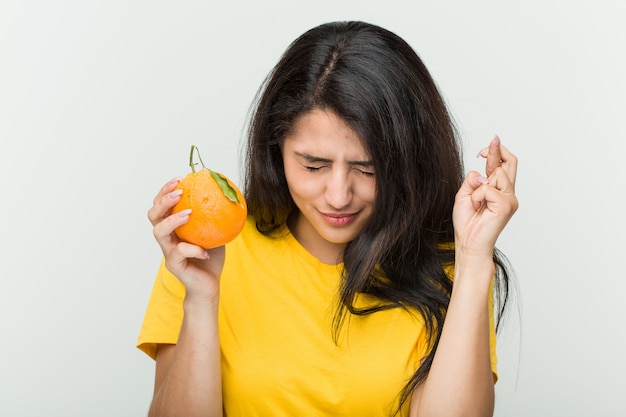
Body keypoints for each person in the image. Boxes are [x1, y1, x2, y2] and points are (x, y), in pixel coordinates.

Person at [138, 20, 518, 417]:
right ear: (276, 149)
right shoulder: (209, 249)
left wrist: (474, 260)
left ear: (410, 163)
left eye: (368, 169)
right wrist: (201, 300)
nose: (339, 196)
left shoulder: (447, 265)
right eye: (314, 165)